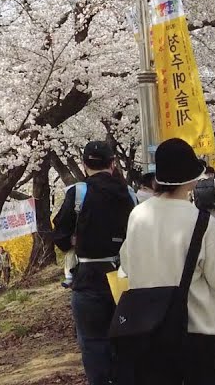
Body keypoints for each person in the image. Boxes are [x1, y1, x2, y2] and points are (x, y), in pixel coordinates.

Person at [120, 138, 215, 385]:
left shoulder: (138, 215)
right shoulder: (200, 221)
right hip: (196, 333)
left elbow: (127, 262)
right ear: (191, 179)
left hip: (147, 328)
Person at [53, 140, 137, 385]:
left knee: (92, 341)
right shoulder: (129, 194)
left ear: (84, 165)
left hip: (88, 276)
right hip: (123, 275)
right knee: (125, 339)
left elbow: (60, 236)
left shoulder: (78, 193)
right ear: (113, 164)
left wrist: (75, 239)